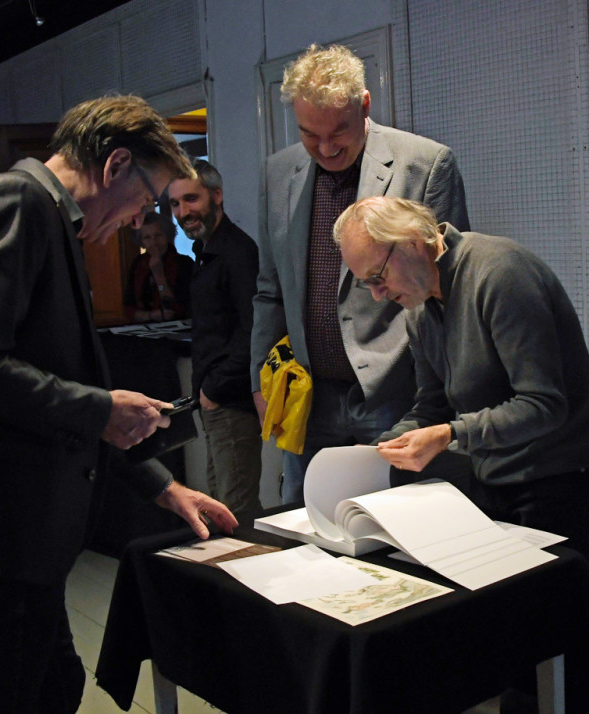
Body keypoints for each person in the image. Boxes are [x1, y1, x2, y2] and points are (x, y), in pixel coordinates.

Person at [0, 95, 237, 714]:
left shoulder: (37, 215)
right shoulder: (14, 204)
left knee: (55, 688)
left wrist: (160, 487)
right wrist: (100, 408)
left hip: (12, 532)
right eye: (147, 202)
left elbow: (44, 385)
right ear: (116, 165)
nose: (141, 218)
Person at [334, 196, 589, 569]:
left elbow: (543, 405)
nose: (376, 294)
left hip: (556, 479)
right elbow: (433, 406)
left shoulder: (500, 274)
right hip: (491, 476)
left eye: (377, 277)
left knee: (557, 618)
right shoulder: (418, 311)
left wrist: (449, 435)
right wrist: (379, 450)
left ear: (413, 240)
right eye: (365, 284)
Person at [250, 43, 470, 504]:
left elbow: (447, 289)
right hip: (306, 395)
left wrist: (444, 401)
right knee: (305, 526)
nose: (326, 148)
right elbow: (270, 292)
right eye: (311, 135)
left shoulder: (425, 164)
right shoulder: (277, 173)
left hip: (397, 395)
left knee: (392, 528)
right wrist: (259, 379)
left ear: (365, 105)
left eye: (340, 132)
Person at [169, 159, 263, 521]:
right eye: (175, 204)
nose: (182, 212)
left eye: (191, 199)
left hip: (231, 403)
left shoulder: (237, 252)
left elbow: (254, 330)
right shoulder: (205, 253)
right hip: (215, 403)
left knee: (235, 512)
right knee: (221, 506)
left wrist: (215, 389)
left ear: (217, 195)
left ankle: (248, 578)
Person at [124, 211, 194, 322]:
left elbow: (178, 309)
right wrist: (150, 315)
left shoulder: (184, 263)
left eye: (158, 235)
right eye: (147, 238)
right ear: (141, 241)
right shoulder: (138, 264)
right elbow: (128, 307)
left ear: (167, 235)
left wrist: (159, 275)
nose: (154, 242)